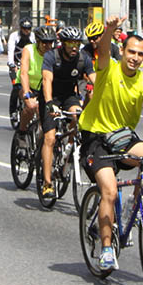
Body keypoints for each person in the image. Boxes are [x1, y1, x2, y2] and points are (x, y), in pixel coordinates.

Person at [78, 16, 143, 271]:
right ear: (122, 51)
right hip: (96, 138)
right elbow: (102, 49)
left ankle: (133, 207)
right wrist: (110, 29)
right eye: (131, 52)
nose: (135, 57)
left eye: (140, 54)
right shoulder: (108, 68)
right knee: (110, 191)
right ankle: (105, 249)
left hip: (123, 138)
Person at [38, 25, 95, 199]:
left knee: (79, 115)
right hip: (50, 97)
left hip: (69, 96)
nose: (74, 47)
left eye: (77, 43)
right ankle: (47, 183)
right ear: (62, 43)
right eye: (70, 43)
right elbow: (47, 80)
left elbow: (95, 80)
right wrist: (49, 104)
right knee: (50, 137)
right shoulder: (51, 56)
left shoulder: (83, 58)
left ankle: (69, 146)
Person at [17, 25, 56, 134]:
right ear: (37, 41)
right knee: (32, 106)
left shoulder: (53, 54)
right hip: (28, 84)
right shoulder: (28, 49)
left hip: (44, 87)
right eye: (44, 42)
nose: (48, 46)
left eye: (50, 42)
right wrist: (26, 91)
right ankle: (22, 131)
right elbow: (24, 73)